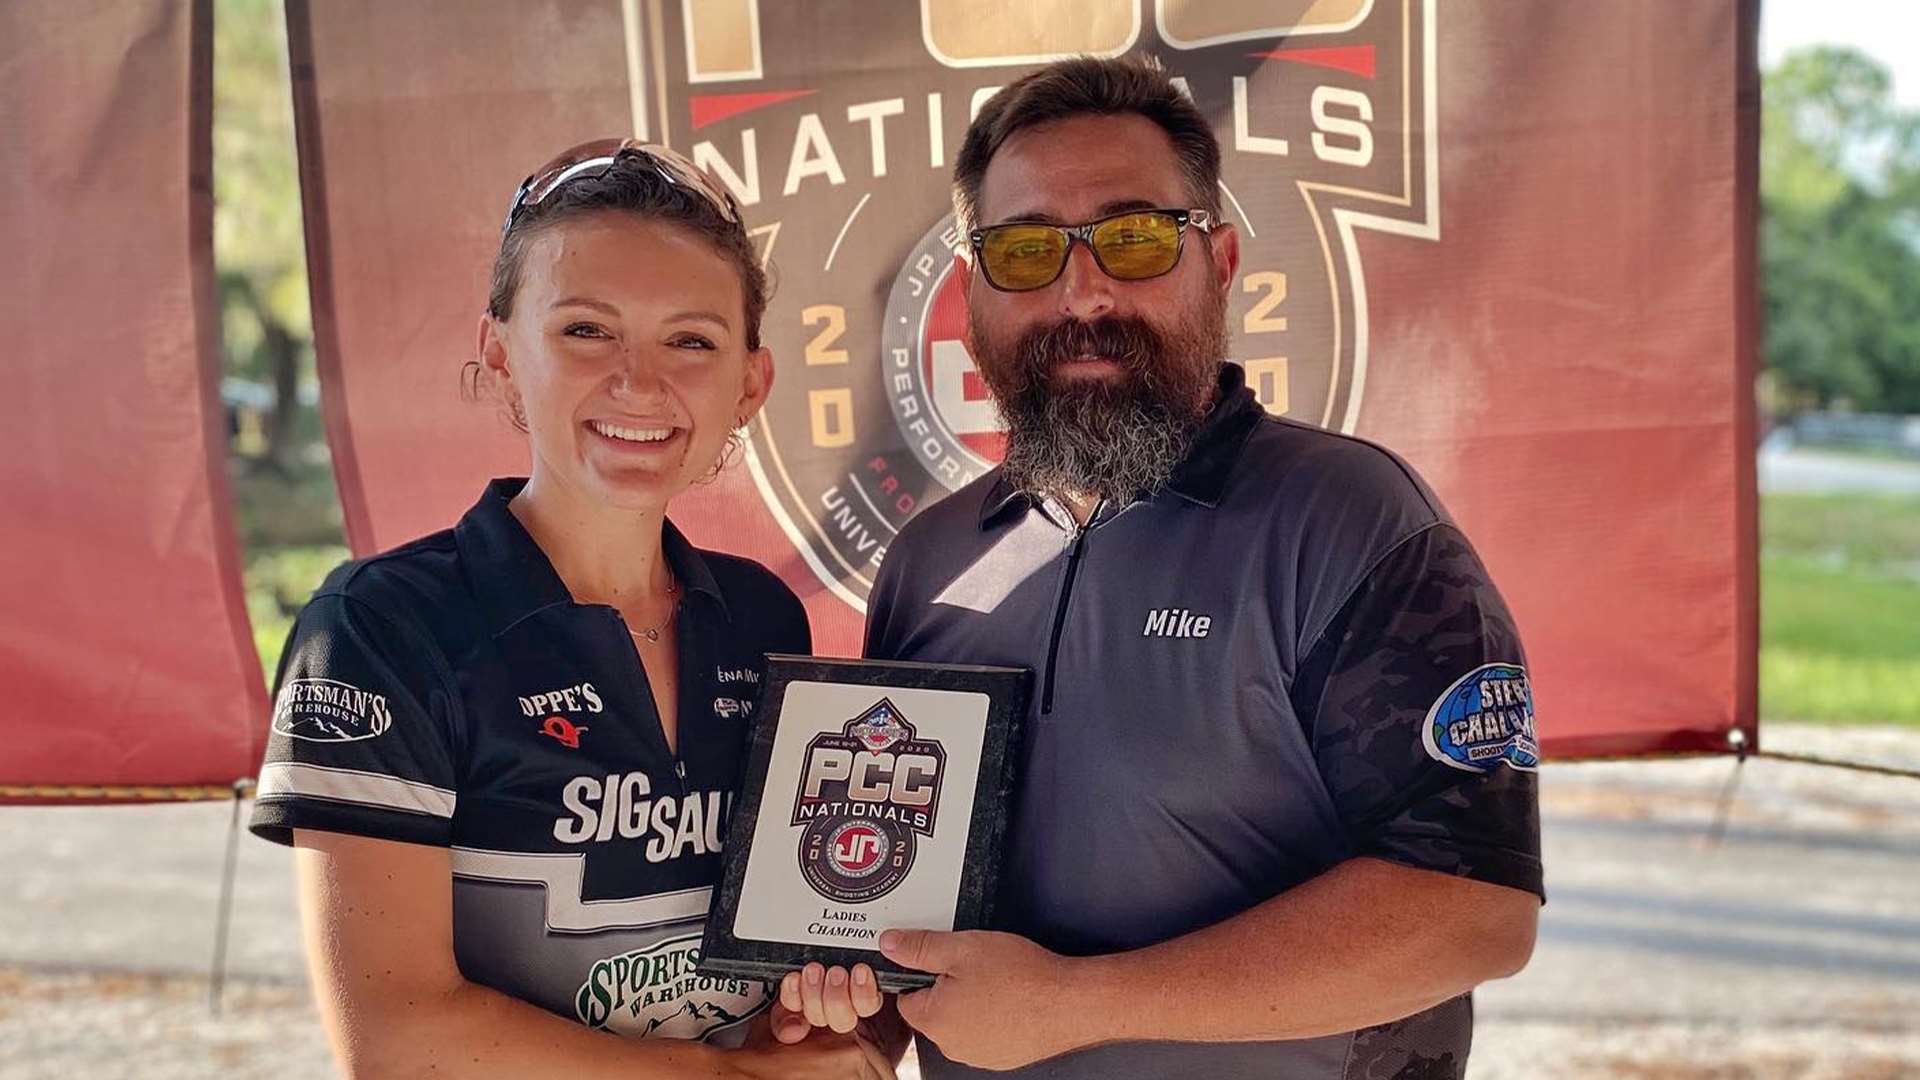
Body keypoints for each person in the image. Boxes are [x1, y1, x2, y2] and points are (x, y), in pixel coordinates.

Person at [864, 58, 1545, 1079]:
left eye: (1136, 238)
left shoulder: (1352, 522)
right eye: (1026, 250)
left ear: (1219, 262)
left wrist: (1079, 1005)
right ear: (971, 296)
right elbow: (889, 901)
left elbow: (1474, 910)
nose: (1083, 291)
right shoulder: (926, 563)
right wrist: (846, 1025)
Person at [250, 140, 891, 1078]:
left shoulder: (763, 619)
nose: (639, 382)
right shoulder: (376, 630)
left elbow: (766, 975)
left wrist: (798, 1026)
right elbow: (394, 1039)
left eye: (692, 341)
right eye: (587, 331)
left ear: (751, 383)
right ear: (500, 353)